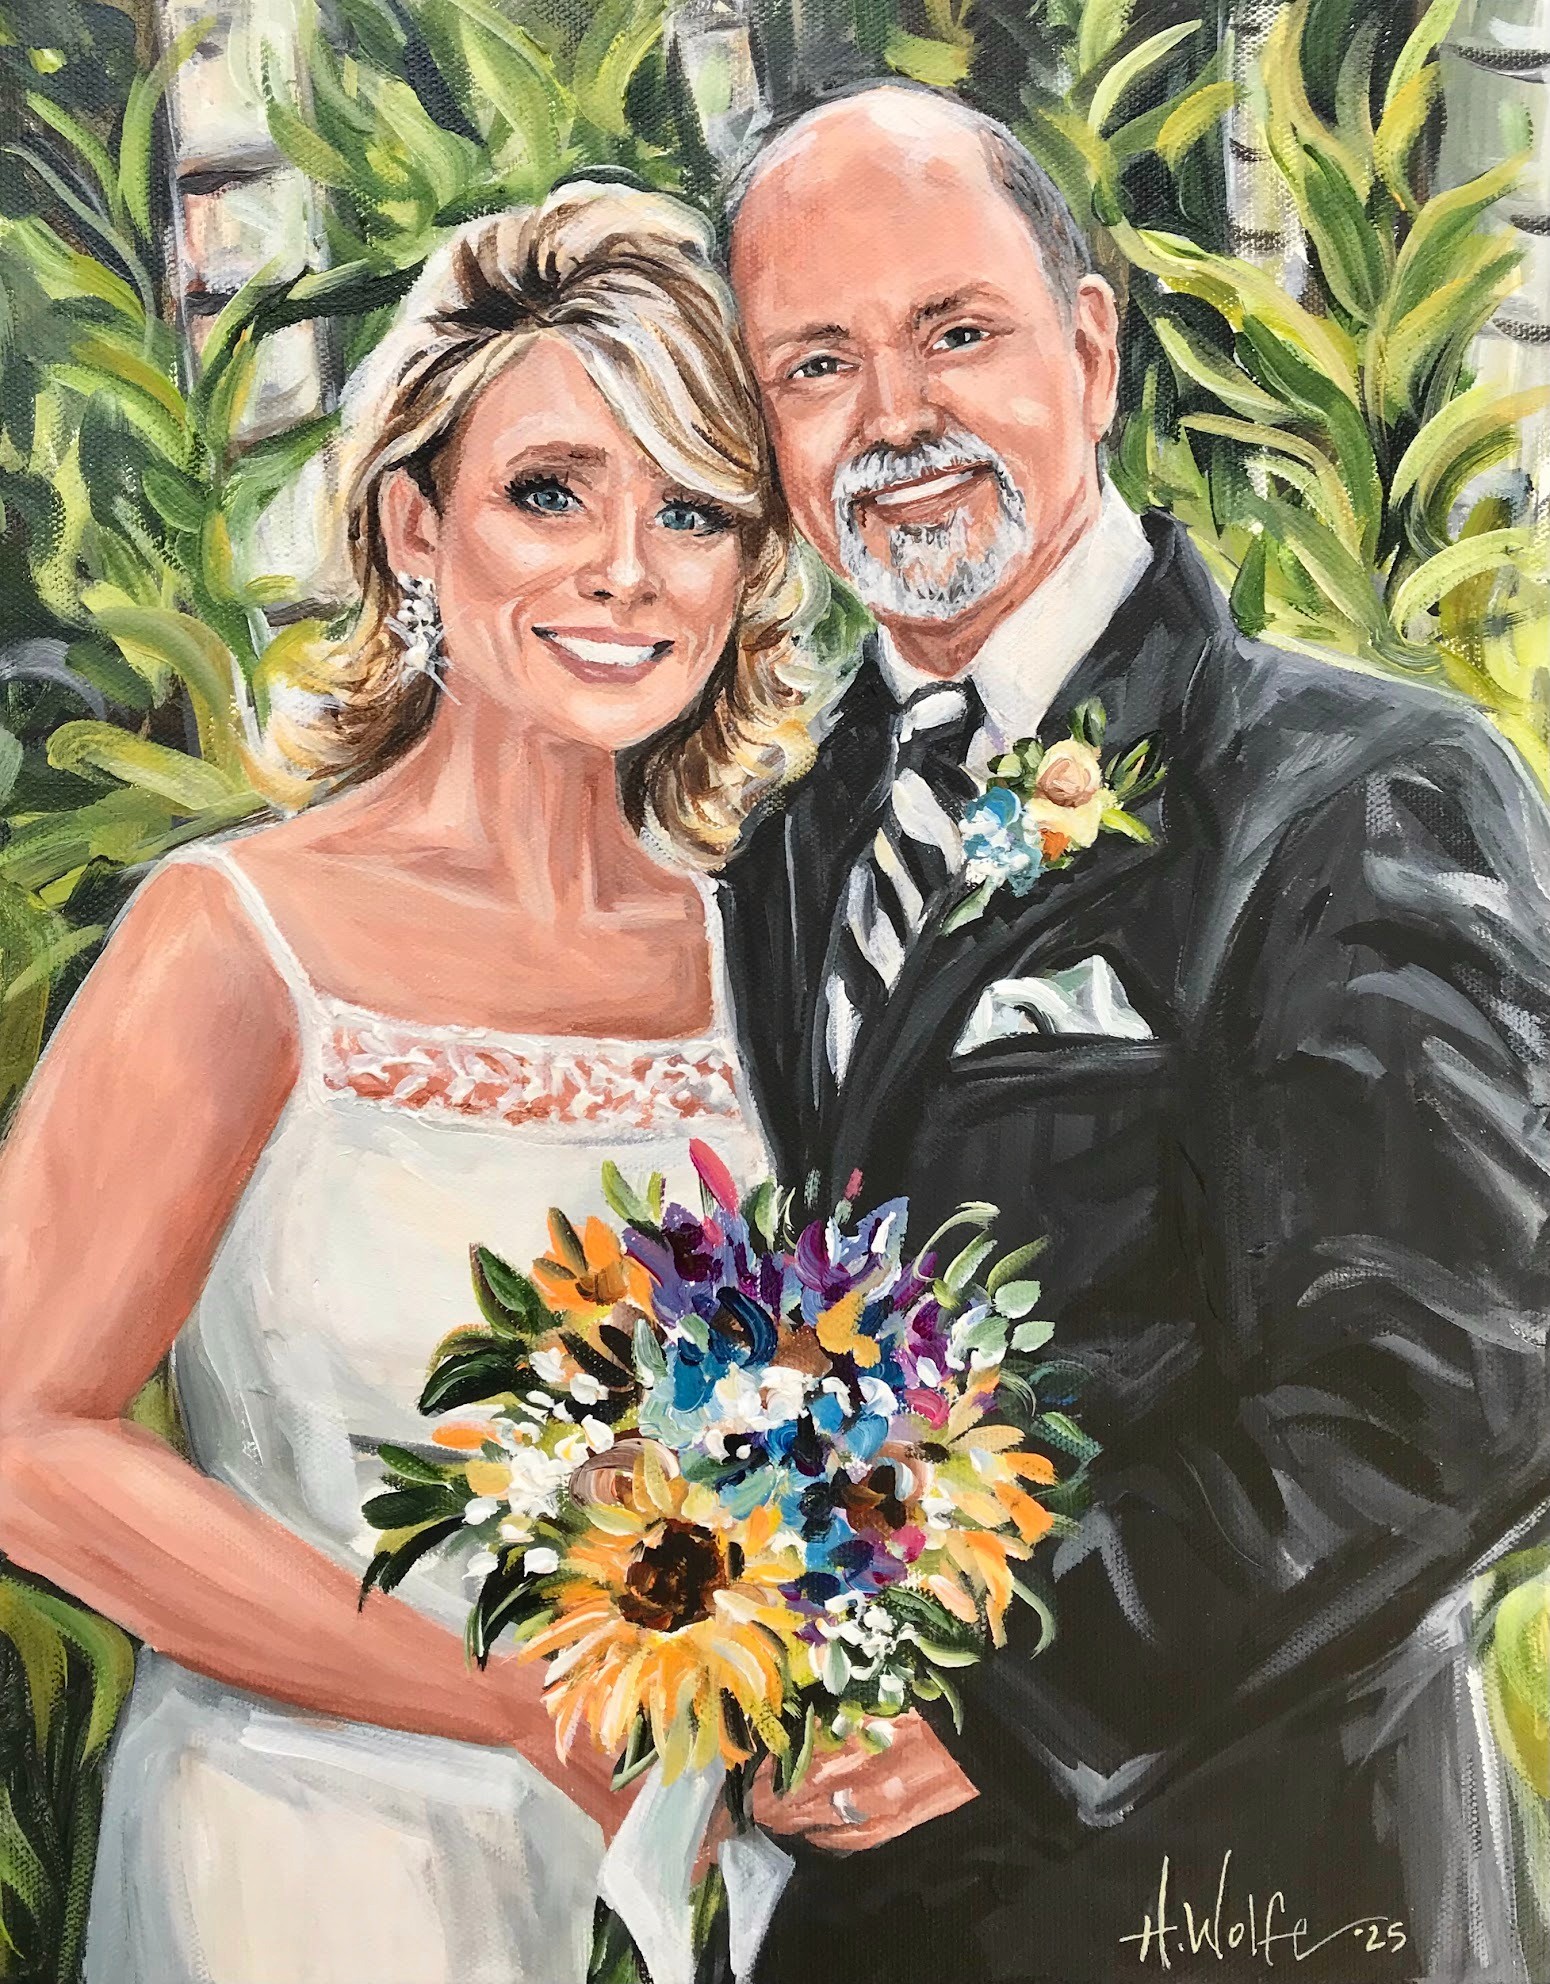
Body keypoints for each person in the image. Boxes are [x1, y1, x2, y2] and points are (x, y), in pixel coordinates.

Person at [719, 83, 1550, 1983]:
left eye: (954, 332)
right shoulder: (769, 847)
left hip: (1259, 1895)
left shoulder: (1358, 792)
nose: (893, 418)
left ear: (1088, 351)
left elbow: (1452, 1384)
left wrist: (1001, 1699)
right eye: (816, 366)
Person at [0, 181, 816, 1984]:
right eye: (552, 493)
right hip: (301, 1862)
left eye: (692, 510)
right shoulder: (233, 937)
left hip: (685, 1873)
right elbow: (25, 1440)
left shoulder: (762, 959)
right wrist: (519, 1706)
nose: (626, 570)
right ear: (413, 524)